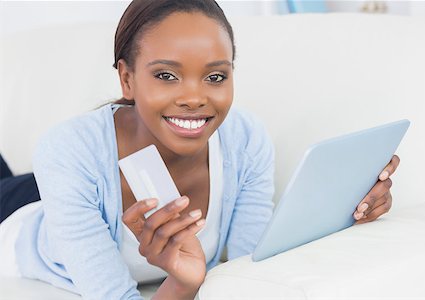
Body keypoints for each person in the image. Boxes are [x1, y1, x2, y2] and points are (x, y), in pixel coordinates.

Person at [0, 0, 400, 299]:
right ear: (127, 78)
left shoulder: (245, 138)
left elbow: (252, 269)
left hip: (70, 187)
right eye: (166, 75)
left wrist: (346, 215)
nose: (194, 97)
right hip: (20, 213)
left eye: (214, 76)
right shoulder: (69, 150)